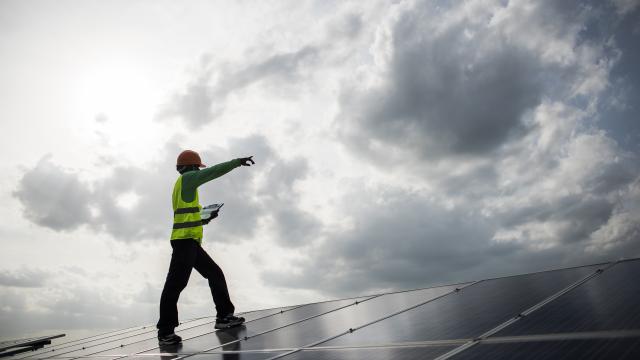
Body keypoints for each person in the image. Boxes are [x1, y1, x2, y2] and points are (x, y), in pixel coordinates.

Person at [156, 150, 255, 345]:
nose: (199, 170)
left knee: (214, 273)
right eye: (197, 167)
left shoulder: (184, 185)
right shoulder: (189, 179)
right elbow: (214, 172)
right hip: (184, 242)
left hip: (190, 241)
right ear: (192, 167)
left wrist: (205, 218)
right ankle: (165, 331)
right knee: (175, 285)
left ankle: (224, 316)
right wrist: (237, 162)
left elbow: (188, 216)